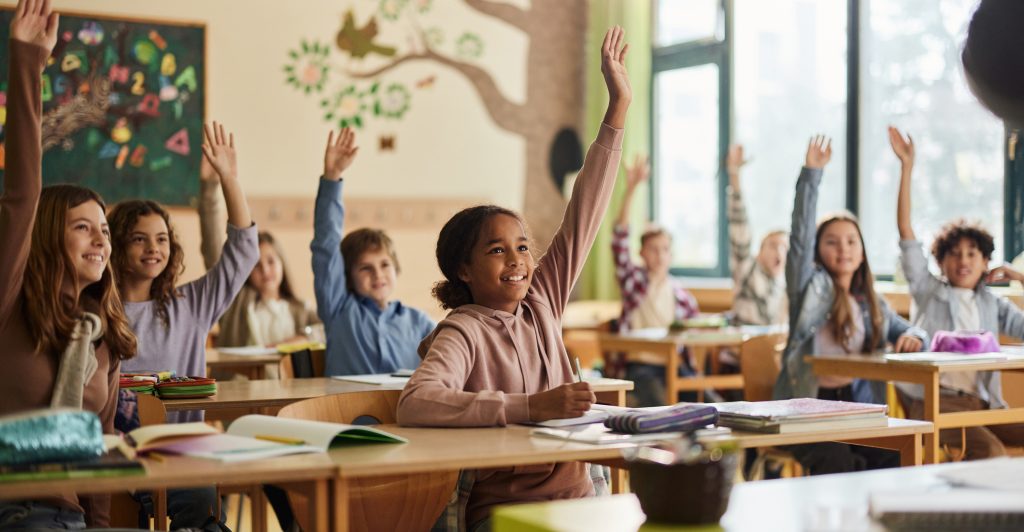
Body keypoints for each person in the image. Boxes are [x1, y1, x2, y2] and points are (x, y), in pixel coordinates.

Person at [396, 26, 631, 530]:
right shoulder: (463, 330)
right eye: (497, 251)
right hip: (506, 516)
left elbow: (585, 211)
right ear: (464, 269)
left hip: (580, 503)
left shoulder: (542, 301)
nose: (518, 260)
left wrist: (617, 111)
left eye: (523, 246)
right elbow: (416, 401)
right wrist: (531, 406)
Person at [0, 0, 136, 527]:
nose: (100, 241)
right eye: (83, 227)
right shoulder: (10, 300)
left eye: (104, 230)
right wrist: (27, 59)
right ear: (44, 234)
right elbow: (21, 195)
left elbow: (97, 453)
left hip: (67, 519)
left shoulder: (99, 334)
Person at [774, 135, 928, 474]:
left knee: (897, 455)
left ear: (861, 252)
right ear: (818, 251)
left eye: (851, 241)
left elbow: (914, 331)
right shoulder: (808, 290)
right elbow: (799, 237)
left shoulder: (872, 303)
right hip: (806, 411)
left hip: (858, 410)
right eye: (831, 242)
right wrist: (811, 175)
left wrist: (916, 336)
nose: (843, 249)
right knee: (838, 461)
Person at [890, 125, 1024, 459]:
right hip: (933, 400)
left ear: (985, 262)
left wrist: (1019, 278)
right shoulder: (928, 290)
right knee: (993, 454)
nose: (963, 260)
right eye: (955, 253)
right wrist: (907, 168)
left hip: (982, 402)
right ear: (941, 260)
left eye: (972, 253)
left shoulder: (992, 303)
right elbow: (906, 233)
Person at [311, 127, 435, 376]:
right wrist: (332, 177)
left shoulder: (419, 322)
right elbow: (326, 246)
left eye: (384, 265)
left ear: (396, 269)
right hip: (347, 414)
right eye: (365, 268)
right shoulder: (339, 310)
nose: (378, 274)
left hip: (405, 413)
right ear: (347, 276)